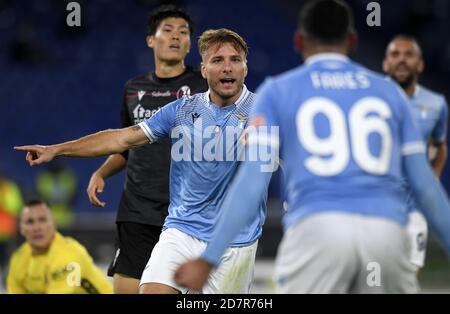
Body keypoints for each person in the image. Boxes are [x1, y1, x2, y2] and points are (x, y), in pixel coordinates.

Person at [173, 0, 450, 293]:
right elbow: (426, 187)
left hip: (317, 231)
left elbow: (252, 182)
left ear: (299, 41)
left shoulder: (277, 91)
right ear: (352, 40)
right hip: (387, 234)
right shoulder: (390, 94)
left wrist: (209, 257)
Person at [14, 28, 266, 294]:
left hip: (234, 241)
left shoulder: (265, 111)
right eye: (217, 60)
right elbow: (123, 139)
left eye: (235, 60)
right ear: (203, 69)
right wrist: (57, 149)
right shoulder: (182, 110)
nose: (227, 67)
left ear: (245, 68)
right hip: (182, 231)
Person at [86, 5, 207, 294]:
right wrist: (101, 173)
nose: (176, 37)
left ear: (190, 43)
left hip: (186, 214)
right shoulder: (133, 88)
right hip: (137, 212)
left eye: (184, 32)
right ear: (151, 40)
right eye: (168, 30)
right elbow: (125, 144)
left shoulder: (204, 86)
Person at [383, 35, 448, 270]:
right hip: (376, 209)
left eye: (408, 55)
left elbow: (440, 146)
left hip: (413, 213)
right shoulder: (371, 99)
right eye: (395, 54)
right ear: (385, 63)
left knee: (407, 279)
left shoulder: (436, 104)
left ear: (420, 64)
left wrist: (432, 182)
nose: (402, 60)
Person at [6, 199, 113, 294]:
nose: (36, 228)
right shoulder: (18, 259)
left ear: (54, 223)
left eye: (42, 220)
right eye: (30, 222)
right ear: (21, 228)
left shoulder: (69, 254)